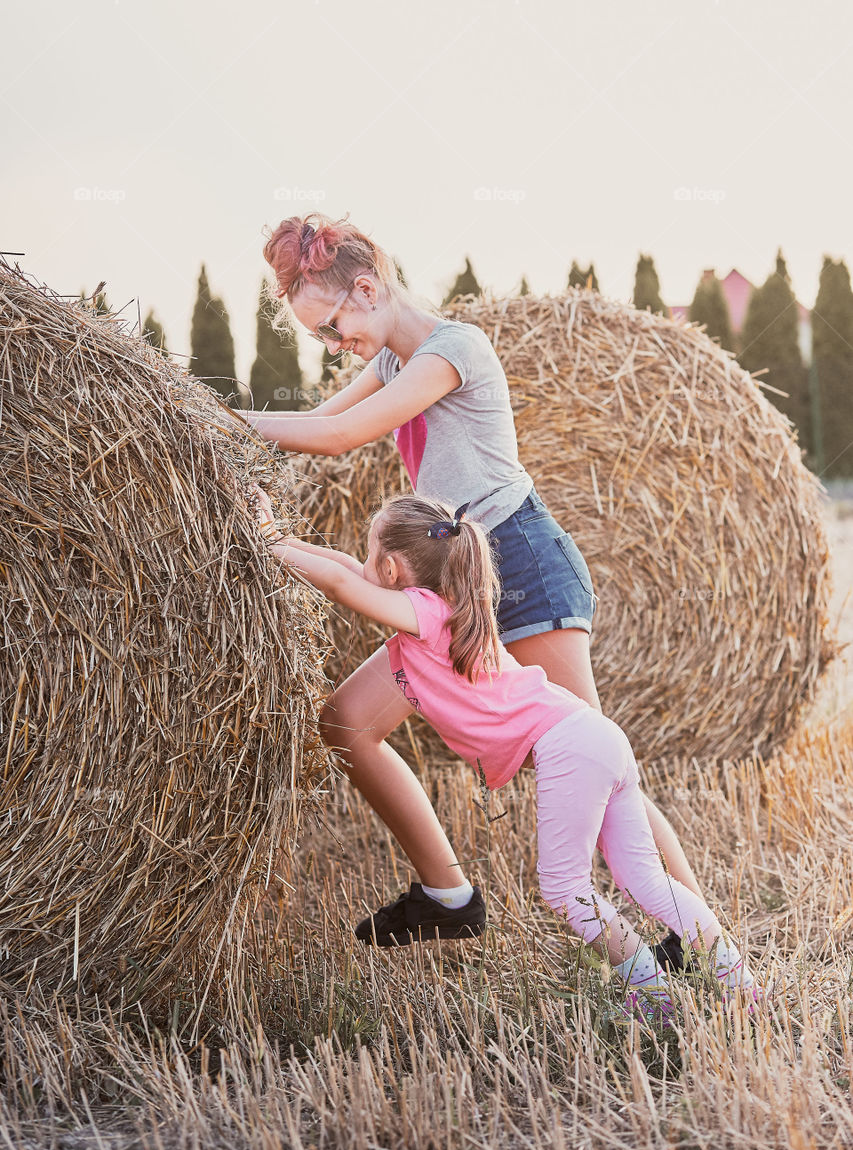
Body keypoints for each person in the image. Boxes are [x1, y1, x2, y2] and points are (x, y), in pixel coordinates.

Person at [243, 212, 702, 958]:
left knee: (599, 758)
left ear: (366, 287)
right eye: (319, 338)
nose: (332, 345)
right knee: (346, 725)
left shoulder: (454, 350)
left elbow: (338, 436)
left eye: (330, 326)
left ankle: (697, 933)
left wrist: (207, 418)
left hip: (519, 564)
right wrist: (221, 438)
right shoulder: (391, 361)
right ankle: (447, 894)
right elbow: (315, 418)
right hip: (454, 579)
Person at [252, 488, 757, 1013]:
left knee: (565, 889)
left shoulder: (423, 615)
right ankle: (738, 982)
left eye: (371, 551)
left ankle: (651, 994)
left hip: (569, 746)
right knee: (644, 878)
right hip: (595, 734)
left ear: (394, 568)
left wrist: (268, 542)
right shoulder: (454, 605)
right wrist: (281, 539)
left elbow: (338, 581)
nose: (363, 561)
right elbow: (346, 568)